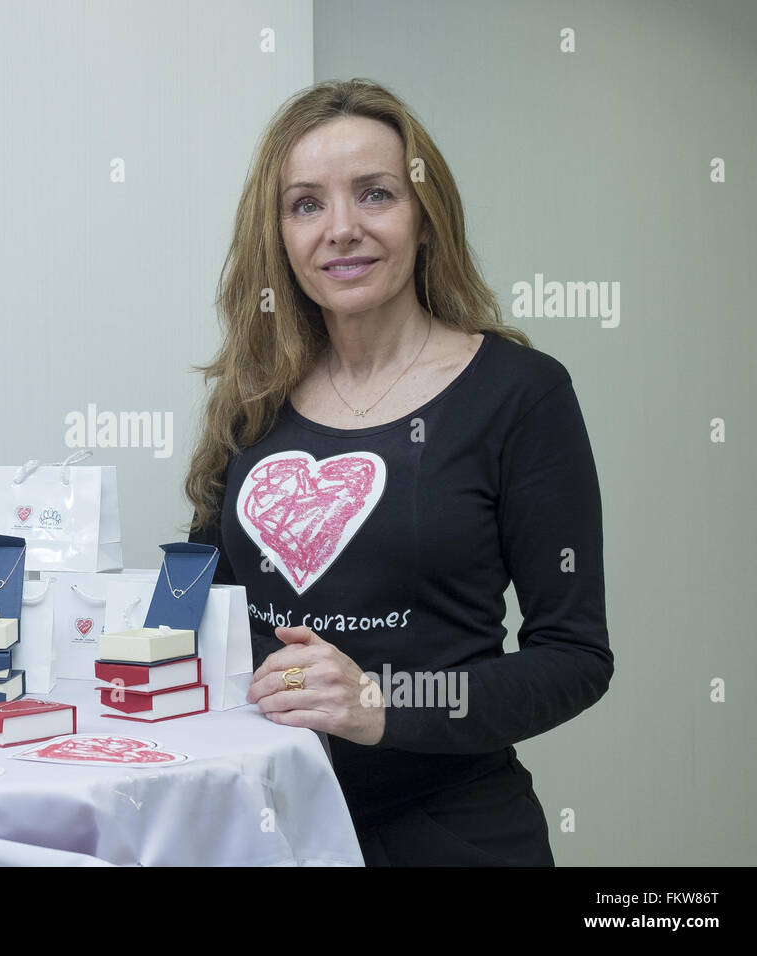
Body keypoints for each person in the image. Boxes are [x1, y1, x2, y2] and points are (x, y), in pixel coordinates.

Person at [184, 78, 613, 866]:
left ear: (426, 219)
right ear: (277, 235)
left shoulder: (520, 394)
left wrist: (385, 701)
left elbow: (575, 658)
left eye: (375, 194)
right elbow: (205, 614)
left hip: (448, 832)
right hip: (262, 827)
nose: (341, 229)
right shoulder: (253, 398)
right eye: (306, 204)